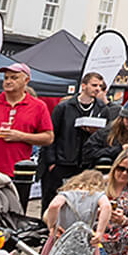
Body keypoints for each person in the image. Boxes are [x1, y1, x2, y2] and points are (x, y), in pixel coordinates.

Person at [24, 169, 111, 255]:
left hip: (61, 237)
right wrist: (99, 232)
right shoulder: (98, 195)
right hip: (84, 240)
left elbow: (54, 206)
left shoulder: (66, 194)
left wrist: (52, 227)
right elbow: (106, 207)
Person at [0, 60, 52, 177]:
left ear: (26, 80)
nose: (8, 81)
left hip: (18, 173)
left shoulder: (38, 107)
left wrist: (21, 136)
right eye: (6, 78)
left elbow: (48, 138)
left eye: (14, 78)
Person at [44, 72, 115, 205]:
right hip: (63, 161)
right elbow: (52, 134)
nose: (98, 89)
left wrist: (95, 132)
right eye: (94, 85)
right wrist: (52, 162)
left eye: (100, 86)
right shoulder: (64, 107)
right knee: (54, 198)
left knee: (82, 201)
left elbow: (106, 136)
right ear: (83, 86)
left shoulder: (102, 109)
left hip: (87, 163)